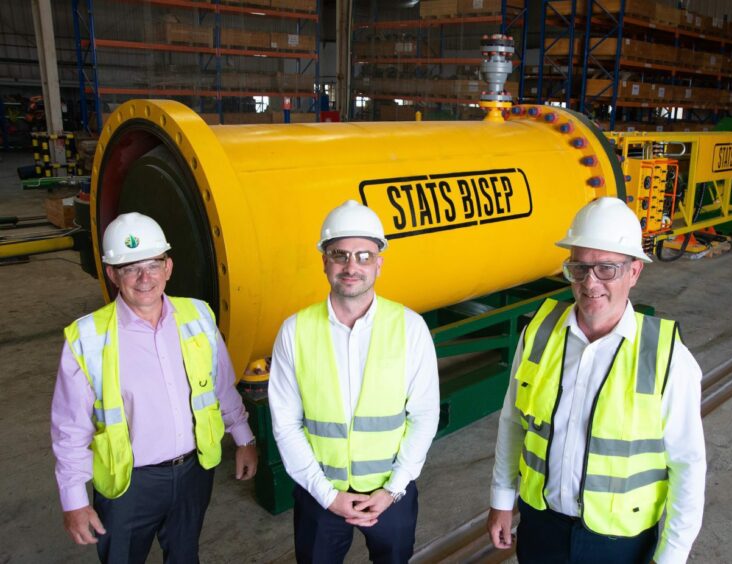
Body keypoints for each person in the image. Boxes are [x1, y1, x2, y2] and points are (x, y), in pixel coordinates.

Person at [487, 197, 706, 564]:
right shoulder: (539, 334)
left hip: (619, 544)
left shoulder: (668, 358)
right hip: (542, 527)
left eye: (607, 269)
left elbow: (687, 464)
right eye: (579, 268)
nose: (591, 283)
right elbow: (513, 423)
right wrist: (501, 500)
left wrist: (672, 555)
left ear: (634, 272)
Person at [50, 212, 258, 563]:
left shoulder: (198, 316)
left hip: (194, 472)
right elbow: (69, 428)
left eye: (153, 264)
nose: (144, 278)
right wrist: (74, 500)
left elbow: (221, 385)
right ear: (113, 275)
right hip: (130, 486)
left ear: (169, 267)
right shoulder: (87, 337)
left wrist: (244, 438)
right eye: (130, 267)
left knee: (184, 555)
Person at [269, 200, 440, 564]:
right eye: (340, 255)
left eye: (364, 256)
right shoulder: (294, 331)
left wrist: (393, 489)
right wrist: (326, 494)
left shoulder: (410, 328)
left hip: (388, 495)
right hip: (321, 495)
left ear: (379, 261)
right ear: (324, 261)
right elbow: (285, 423)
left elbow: (425, 415)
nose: (351, 267)